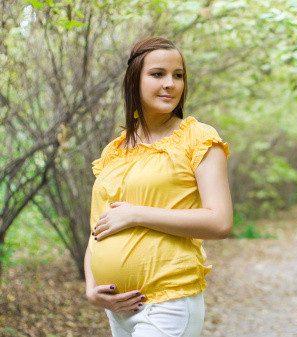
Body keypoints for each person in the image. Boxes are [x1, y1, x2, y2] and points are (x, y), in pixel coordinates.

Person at [84, 36, 232, 337]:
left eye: (178, 75)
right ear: (133, 80)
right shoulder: (116, 149)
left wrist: (137, 214)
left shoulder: (198, 138)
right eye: (158, 74)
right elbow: (98, 228)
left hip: (169, 300)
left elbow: (220, 222)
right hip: (119, 307)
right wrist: (90, 288)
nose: (171, 84)